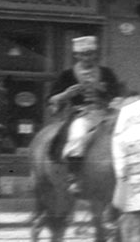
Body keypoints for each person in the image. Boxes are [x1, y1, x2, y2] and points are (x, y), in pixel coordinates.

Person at [48, 35, 125, 170]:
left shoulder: (106, 73)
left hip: (106, 113)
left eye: (90, 54)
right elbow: (52, 99)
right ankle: (73, 174)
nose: (87, 58)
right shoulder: (67, 75)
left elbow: (117, 95)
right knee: (78, 134)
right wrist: (66, 94)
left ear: (95, 54)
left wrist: (107, 94)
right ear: (76, 55)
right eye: (83, 55)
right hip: (81, 114)